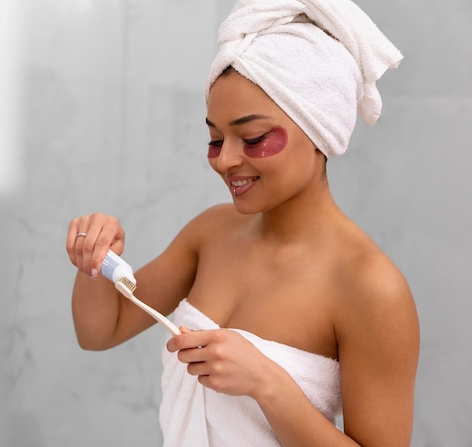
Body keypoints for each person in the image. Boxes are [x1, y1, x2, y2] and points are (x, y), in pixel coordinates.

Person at [66, 0, 419, 445]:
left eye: (252, 138)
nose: (226, 160)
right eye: (215, 138)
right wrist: (95, 260)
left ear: (319, 129)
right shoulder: (211, 233)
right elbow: (101, 332)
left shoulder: (370, 288)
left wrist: (267, 384)